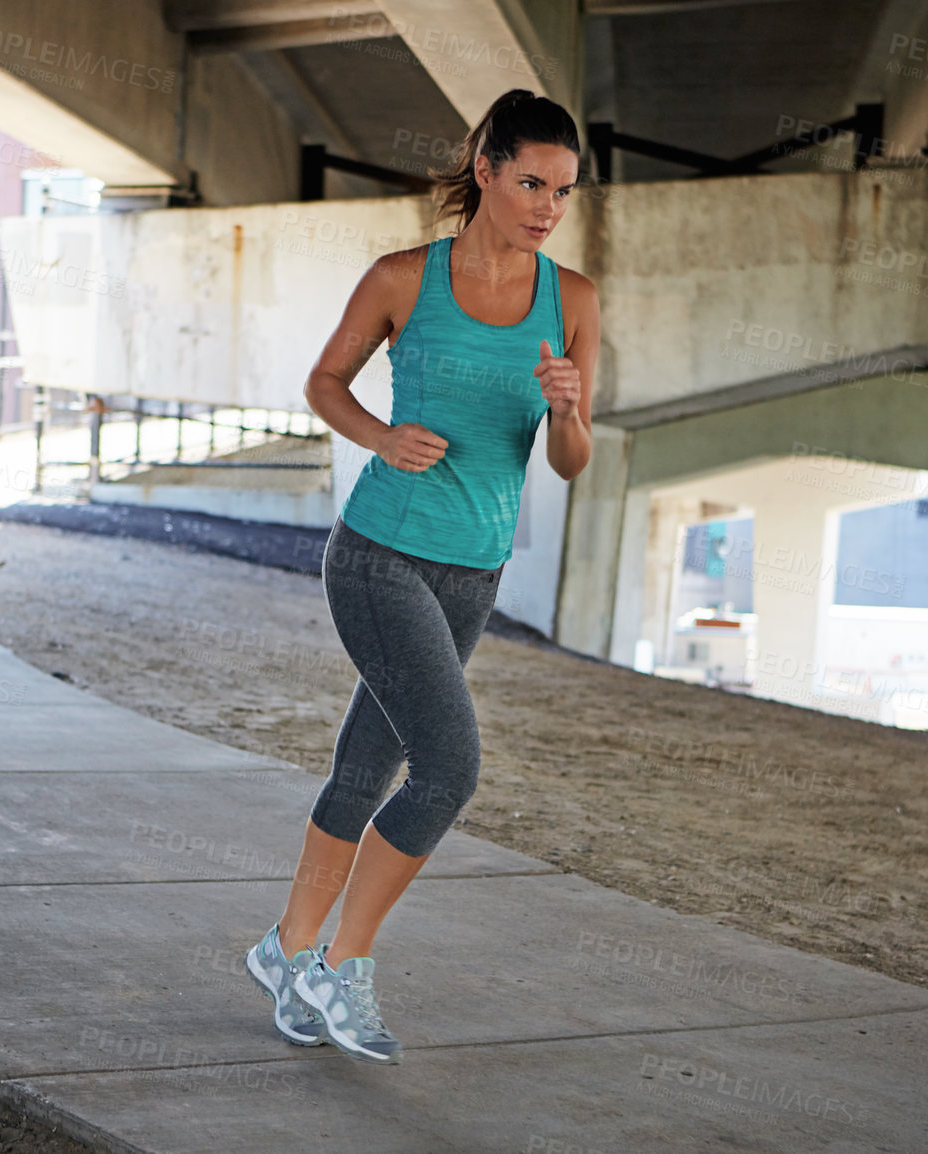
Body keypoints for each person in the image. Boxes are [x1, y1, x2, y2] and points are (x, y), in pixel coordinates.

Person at [243, 88, 598, 1065]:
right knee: (448, 768)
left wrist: (567, 409)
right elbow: (325, 382)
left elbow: (570, 461)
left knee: (367, 768)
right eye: (530, 181)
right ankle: (339, 965)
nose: (546, 205)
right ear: (484, 170)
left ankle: (284, 951)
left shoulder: (575, 301)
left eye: (563, 191)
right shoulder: (406, 278)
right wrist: (380, 436)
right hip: (379, 556)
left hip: (472, 573)